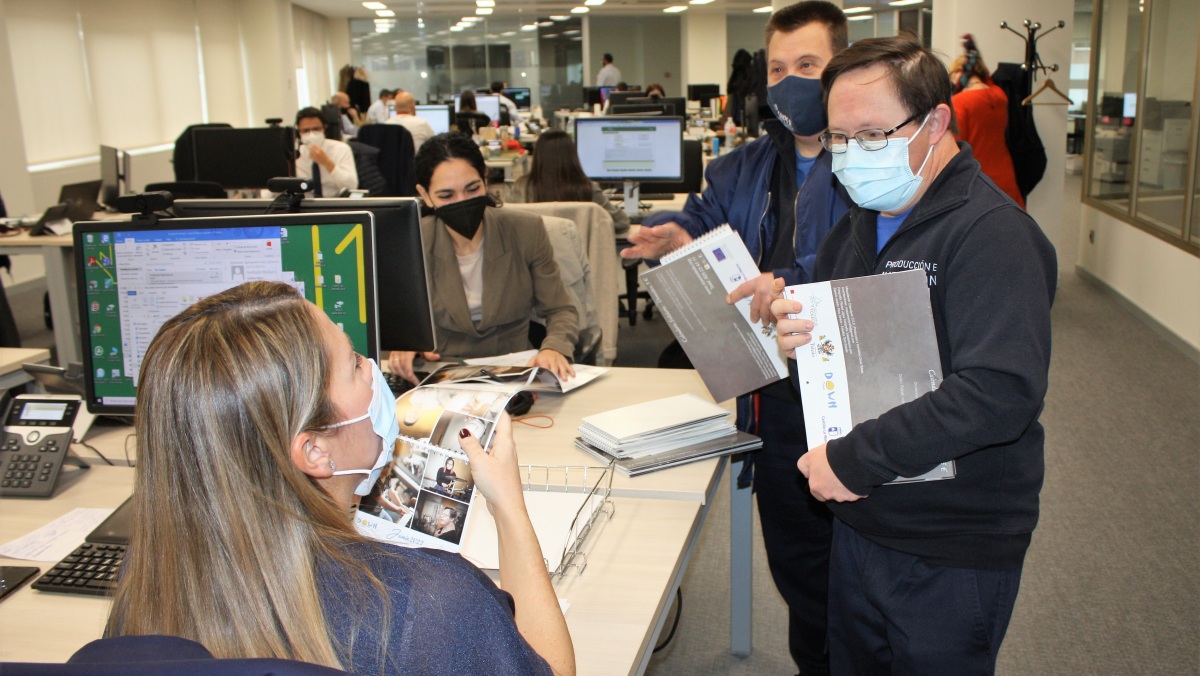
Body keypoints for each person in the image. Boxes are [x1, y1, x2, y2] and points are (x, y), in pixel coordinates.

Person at [105, 281, 575, 675]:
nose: (374, 371)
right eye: (353, 363)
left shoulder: (149, 578)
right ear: (314, 450)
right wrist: (508, 507)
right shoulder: (434, 601)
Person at [770, 36, 1056, 673]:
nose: (849, 155)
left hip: (951, 541)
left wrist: (853, 459)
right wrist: (803, 353)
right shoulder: (857, 228)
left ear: (936, 123)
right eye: (838, 139)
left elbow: (999, 392)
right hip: (864, 520)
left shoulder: (993, 235)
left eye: (871, 135)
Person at [620, 3, 850, 672]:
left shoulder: (870, 162)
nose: (790, 82)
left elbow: (869, 263)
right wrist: (675, 233)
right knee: (801, 575)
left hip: (849, 390)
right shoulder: (741, 167)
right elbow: (702, 220)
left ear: (840, 68)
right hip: (772, 397)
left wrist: (790, 281)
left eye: (808, 66)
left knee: (864, 578)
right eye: (778, 69)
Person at [387, 133, 579, 386]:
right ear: (425, 195)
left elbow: (560, 309)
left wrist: (554, 347)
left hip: (514, 370)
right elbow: (396, 320)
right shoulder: (411, 241)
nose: (462, 202)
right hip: (439, 373)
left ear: (485, 179)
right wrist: (404, 343)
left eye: (473, 189)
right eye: (446, 196)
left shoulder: (526, 230)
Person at [948, 34, 1025, 208]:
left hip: (977, 179)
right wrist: (973, 56)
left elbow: (954, 147)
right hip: (1005, 175)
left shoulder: (960, 102)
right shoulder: (999, 95)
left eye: (952, 75)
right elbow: (987, 79)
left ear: (960, 72)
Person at [507, 129, 630, 234]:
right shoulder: (587, 188)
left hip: (534, 260)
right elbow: (622, 223)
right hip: (579, 260)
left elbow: (505, 224)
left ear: (538, 156)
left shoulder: (521, 187)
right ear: (572, 155)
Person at [294, 107, 358, 197]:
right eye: (306, 131)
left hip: (336, 204)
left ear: (324, 129)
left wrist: (327, 162)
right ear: (298, 133)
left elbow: (352, 185)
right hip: (305, 205)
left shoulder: (341, 149)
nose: (311, 134)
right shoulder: (295, 155)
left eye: (316, 129)